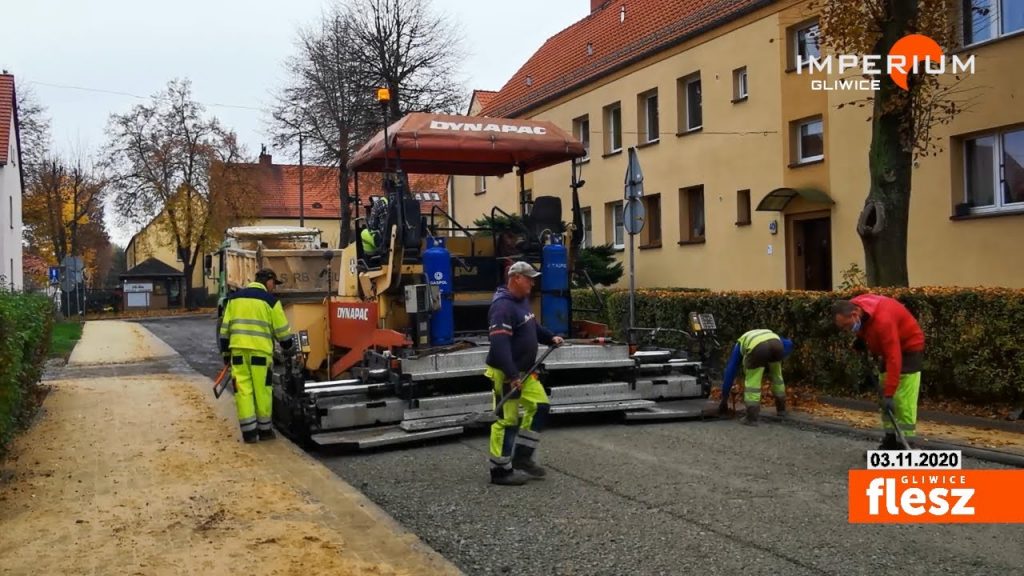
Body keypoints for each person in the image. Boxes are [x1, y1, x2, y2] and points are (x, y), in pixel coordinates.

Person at [485, 261, 564, 486]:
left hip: (525, 372)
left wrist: (550, 337)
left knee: (540, 406)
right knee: (507, 420)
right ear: (516, 278)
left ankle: (522, 457)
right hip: (506, 372)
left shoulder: (521, 302)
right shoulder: (502, 307)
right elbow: (499, 344)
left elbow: (532, 327)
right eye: (529, 278)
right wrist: (512, 375)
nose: (533, 282)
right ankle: (500, 471)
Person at [832, 295, 925, 450]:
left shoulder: (884, 321)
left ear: (855, 314)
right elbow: (866, 326)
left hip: (908, 348)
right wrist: (861, 338)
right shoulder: (857, 307)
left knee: (902, 401)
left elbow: (894, 357)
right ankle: (890, 441)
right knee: (884, 396)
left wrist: (890, 394)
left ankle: (905, 446)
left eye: (847, 326)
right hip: (887, 348)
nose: (848, 331)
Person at [218, 268, 296, 443]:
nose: (274, 288)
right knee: (262, 390)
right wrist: (289, 348)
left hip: (237, 353)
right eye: (274, 284)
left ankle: (249, 433)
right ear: (268, 281)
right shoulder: (271, 302)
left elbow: (225, 330)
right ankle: (265, 430)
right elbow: (282, 332)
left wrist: (225, 354)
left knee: (243, 391)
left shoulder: (234, 299)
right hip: (260, 354)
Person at [719, 329, 794, 425]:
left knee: (753, 382)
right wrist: (782, 355)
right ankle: (781, 410)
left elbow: (731, 370)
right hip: (777, 344)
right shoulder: (768, 334)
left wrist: (724, 399)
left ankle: (751, 417)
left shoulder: (740, 344)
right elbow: (789, 344)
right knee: (777, 377)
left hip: (758, 348)